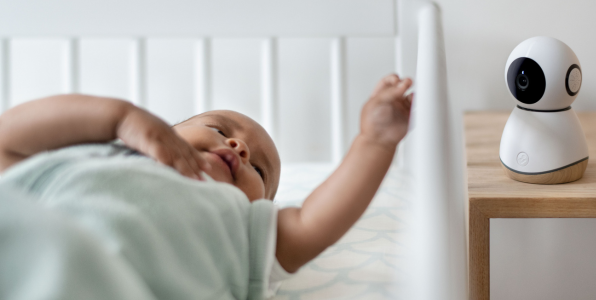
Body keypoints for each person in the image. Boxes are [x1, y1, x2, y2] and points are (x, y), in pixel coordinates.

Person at [0, 74, 413, 300]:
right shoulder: (97, 156)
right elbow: (7, 139)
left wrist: (374, 143)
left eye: (261, 172)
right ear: (161, 133)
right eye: (218, 129)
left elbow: (312, 221)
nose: (239, 147)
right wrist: (119, 118)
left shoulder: (242, 229)